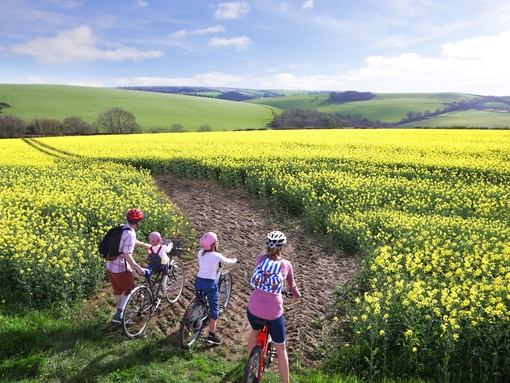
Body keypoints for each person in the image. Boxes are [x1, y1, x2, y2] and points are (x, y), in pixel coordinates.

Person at [246, 231, 301, 383]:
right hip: (273, 313)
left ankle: (249, 365)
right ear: (282, 247)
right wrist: (297, 295)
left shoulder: (259, 258)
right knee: (281, 349)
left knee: (254, 332)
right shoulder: (286, 265)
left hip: (253, 308)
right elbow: (292, 285)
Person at [106, 208, 150, 323]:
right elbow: (126, 254)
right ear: (138, 222)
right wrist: (138, 268)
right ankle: (119, 315)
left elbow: (128, 241)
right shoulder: (130, 234)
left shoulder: (122, 227)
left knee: (118, 290)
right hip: (121, 268)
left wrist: (143, 244)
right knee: (129, 289)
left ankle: (120, 311)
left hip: (110, 265)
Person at [195, 231, 237, 345]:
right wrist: (233, 260)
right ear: (213, 245)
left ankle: (190, 318)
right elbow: (227, 261)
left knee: (198, 299)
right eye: (216, 241)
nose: (217, 242)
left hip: (198, 281)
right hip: (210, 284)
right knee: (214, 307)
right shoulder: (216, 256)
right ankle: (212, 335)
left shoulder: (200, 253)